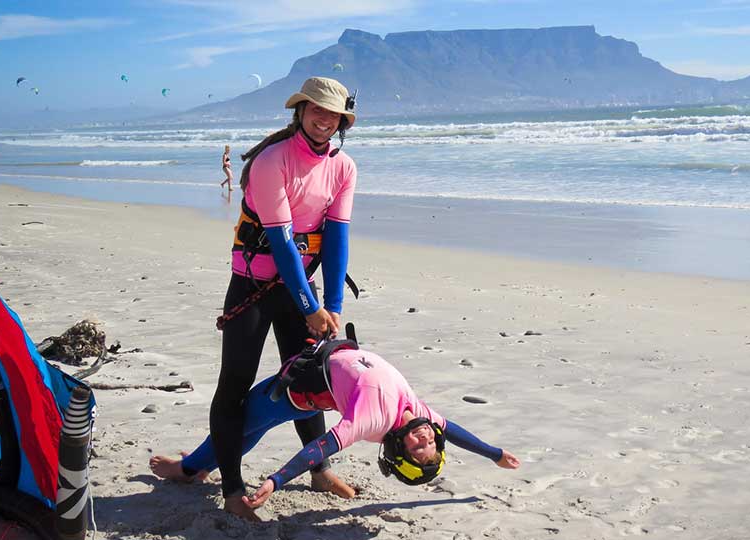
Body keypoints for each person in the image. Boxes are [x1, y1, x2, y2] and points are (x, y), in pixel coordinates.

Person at [149, 338, 521, 521]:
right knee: (244, 433)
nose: (425, 438)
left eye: (417, 446)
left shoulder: (372, 420)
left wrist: (276, 481)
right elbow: (453, 429)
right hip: (318, 379)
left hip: (293, 394)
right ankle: (196, 468)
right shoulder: (419, 415)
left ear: (397, 447)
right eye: (431, 444)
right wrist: (495, 455)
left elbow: (319, 448)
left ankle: (185, 470)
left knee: (241, 427)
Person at [207, 77, 359, 519]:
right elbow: (282, 242)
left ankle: (319, 469)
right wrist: (310, 308)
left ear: (342, 121)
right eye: (317, 110)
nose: (323, 119)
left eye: (333, 114)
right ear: (300, 110)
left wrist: (333, 305)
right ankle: (233, 490)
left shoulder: (344, 166)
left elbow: (336, 239)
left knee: (311, 381)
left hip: (300, 288)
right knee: (234, 384)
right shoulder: (273, 160)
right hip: (253, 287)